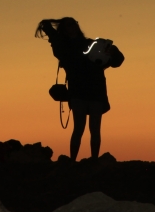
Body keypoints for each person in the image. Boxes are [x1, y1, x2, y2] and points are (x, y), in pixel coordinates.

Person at [36, 18, 120, 161]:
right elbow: (53, 36)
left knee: (94, 128)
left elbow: (117, 61)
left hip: (94, 90)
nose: (73, 26)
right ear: (64, 29)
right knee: (79, 128)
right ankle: (75, 160)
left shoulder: (88, 44)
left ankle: (91, 160)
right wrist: (48, 28)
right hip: (80, 91)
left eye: (74, 23)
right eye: (69, 24)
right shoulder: (64, 47)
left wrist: (114, 51)